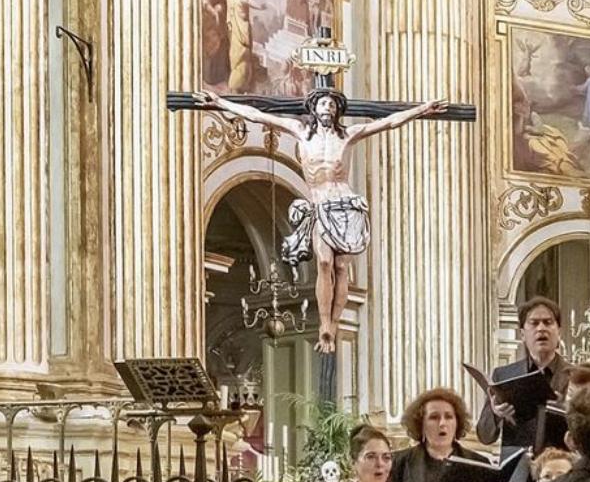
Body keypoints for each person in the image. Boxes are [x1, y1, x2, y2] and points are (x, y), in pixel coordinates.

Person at [193, 88, 452, 353]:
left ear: (337, 110)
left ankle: (334, 326)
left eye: (332, 105)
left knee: (341, 267)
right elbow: (257, 115)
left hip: (346, 206)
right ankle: (324, 324)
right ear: (313, 108)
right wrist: (220, 102)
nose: (328, 108)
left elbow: (389, 122)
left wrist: (422, 109)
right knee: (325, 262)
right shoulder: (299, 131)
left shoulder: (348, 135)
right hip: (321, 206)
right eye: (323, 104)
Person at [476, 297, 574, 459]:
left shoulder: (577, 377)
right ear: (522, 334)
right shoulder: (503, 375)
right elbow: (484, 436)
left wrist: (569, 412)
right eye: (534, 323)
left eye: (548, 322)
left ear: (559, 332)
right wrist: (496, 414)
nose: (541, 328)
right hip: (517, 466)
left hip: (561, 465)